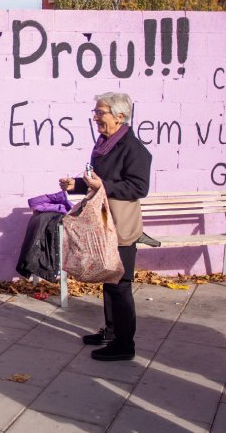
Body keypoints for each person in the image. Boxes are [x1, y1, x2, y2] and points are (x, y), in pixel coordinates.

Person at [59, 92, 151, 362]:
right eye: (96, 112)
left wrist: (103, 186)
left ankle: (125, 345)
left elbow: (138, 187)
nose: (95, 116)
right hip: (103, 222)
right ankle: (112, 332)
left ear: (119, 116)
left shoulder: (134, 149)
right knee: (109, 281)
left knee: (120, 284)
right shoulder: (104, 144)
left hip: (121, 225)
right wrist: (76, 185)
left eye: (101, 112)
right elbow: (98, 181)